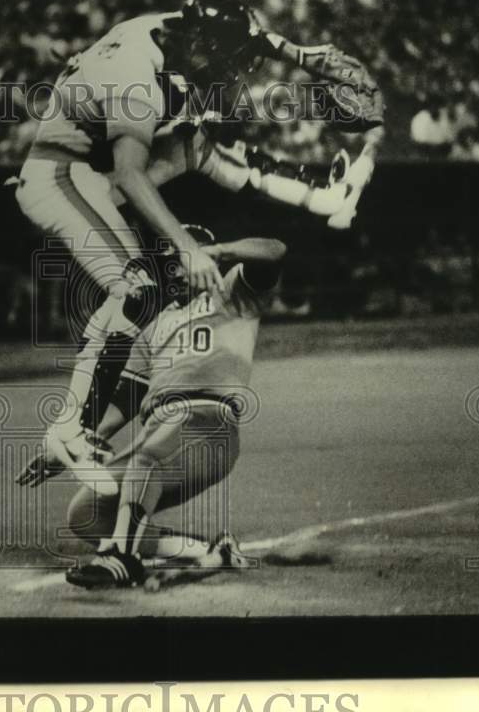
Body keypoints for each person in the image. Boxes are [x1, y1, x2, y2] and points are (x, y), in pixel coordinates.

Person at [12, 0, 384, 488]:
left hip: (89, 174)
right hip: (62, 176)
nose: (227, 71)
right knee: (139, 287)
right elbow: (129, 176)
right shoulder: (135, 75)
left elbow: (248, 36)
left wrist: (300, 54)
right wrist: (186, 246)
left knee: (197, 147)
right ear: (197, 43)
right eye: (222, 60)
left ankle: (323, 194)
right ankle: (72, 428)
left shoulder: (180, 28)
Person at [19, 229, 286, 588]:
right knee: (86, 514)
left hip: (208, 423)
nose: (175, 271)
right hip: (160, 432)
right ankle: (206, 551)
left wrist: (216, 252)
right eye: (170, 263)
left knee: (148, 458)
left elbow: (274, 249)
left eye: (178, 259)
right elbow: (129, 397)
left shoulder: (233, 291)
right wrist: (78, 443)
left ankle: (122, 558)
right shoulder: (153, 321)